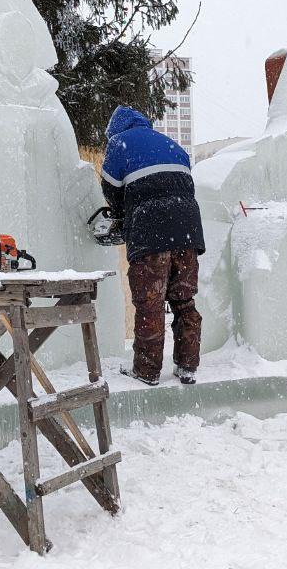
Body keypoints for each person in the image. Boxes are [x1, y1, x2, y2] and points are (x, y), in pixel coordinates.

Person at [100, 105, 205, 385]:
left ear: (114, 130)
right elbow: (182, 185)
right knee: (184, 301)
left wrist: (123, 216)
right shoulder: (171, 144)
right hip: (188, 230)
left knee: (150, 303)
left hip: (151, 231)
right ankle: (187, 365)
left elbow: (110, 188)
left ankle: (146, 371)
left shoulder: (117, 143)